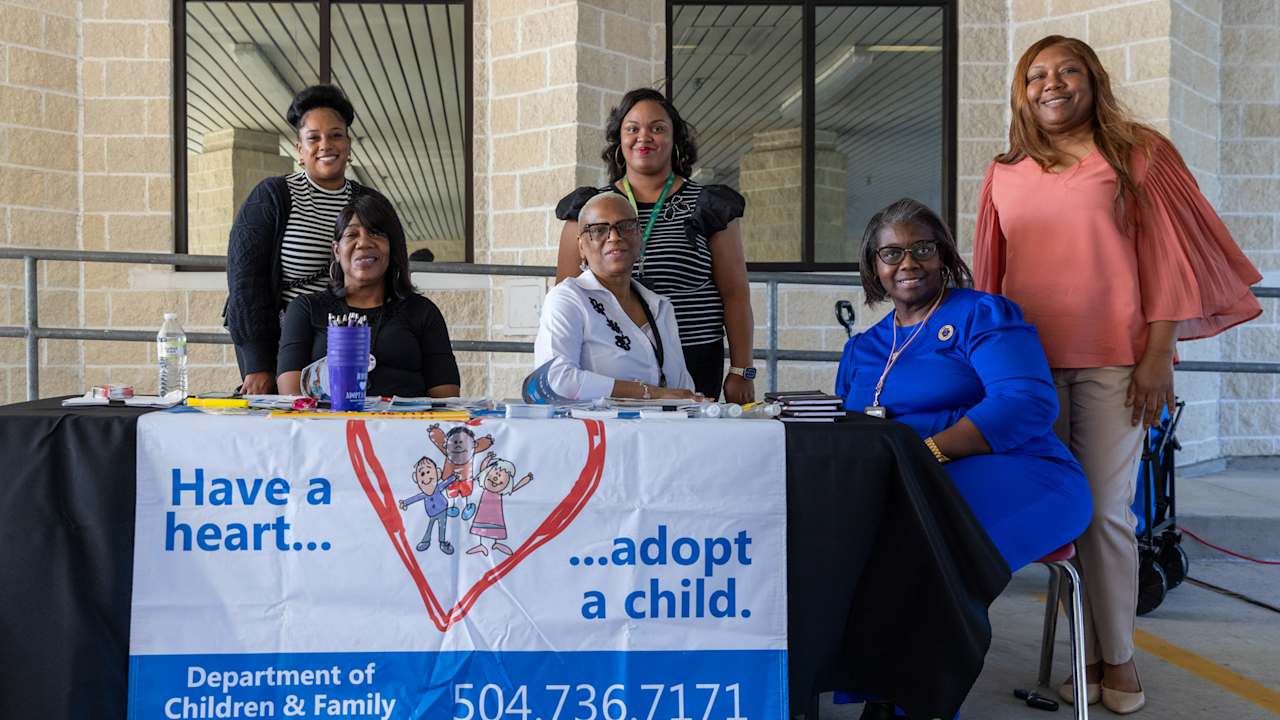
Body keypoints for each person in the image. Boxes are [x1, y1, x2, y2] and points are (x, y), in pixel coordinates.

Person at [974, 36, 1263, 714]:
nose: (1052, 83)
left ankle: (1117, 658)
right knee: (1059, 512)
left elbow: (1166, 260)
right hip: (1027, 373)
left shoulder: (1138, 154)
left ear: (1093, 79)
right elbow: (990, 282)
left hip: (1115, 362)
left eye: (1067, 69)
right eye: (1036, 74)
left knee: (1103, 511)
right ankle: (1085, 655)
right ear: (1021, 91)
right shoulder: (1005, 171)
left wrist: (1159, 353)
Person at [834, 199, 1094, 720]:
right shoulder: (864, 347)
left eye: (922, 248)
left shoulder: (981, 314)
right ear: (873, 267)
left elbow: (1025, 401)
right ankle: (879, 691)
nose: (907, 262)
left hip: (1024, 474)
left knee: (930, 545)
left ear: (944, 256)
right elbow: (847, 428)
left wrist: (929, 452)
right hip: (910, 483)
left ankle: (914, 703)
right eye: (891, 252)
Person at [554, 88, 755, 403]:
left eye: (657, 128)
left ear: (675, 139)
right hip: (610, 360)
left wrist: (742, 370)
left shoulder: (708, 205)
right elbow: (567, 292)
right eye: (632, 128)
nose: (643, 137)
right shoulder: (591, 209)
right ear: (619, 140)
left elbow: (735, 293)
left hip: (694, 355)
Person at [224, 84, 387, 394]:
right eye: (313, 138)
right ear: (299, 149)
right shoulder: (273, 197)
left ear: (349, 144)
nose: (326, 144)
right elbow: (245, 281)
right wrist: (258, 363)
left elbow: (392, 272)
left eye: (336, 135)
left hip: (355, 343)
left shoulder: (369, 202)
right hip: (285, 346)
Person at [276, 193, 461, 399]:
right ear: (337, 251)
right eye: (352, 235)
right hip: (326, 427)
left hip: (405, 428)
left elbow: (446, 396)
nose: (363, 243)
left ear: (392, 248)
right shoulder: (305, 309)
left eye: (375, 233)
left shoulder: (422, 311)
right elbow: (291, 395)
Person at [535, 192, 698, 401]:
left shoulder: (660, 306)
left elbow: (682, 388)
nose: (614, 237)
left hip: (661, 430)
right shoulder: (567, 299)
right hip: (595, 431)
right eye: (598, 230)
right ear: (581, 246)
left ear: (640, 236)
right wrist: (651, 393)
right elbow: (556, 380)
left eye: (625, 226)